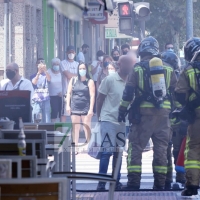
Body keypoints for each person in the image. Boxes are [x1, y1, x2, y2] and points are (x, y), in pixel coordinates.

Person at [118, 36, 177, 190]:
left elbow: (128, 93)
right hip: (164, 116)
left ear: (142, 51)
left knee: (135, 148)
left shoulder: (137, 68)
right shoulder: (169, 69)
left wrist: (122, 110)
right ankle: (160, 184)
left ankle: (133, 184)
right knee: (161, 150)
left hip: (142, 116)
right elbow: (176, 94)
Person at [96, 55, 132, 190]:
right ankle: (101, 183)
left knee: (119, 152)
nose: (129, 67)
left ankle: (115, 181)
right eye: (126, 64)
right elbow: (100, 99)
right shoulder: (110, 79)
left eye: (131, 64)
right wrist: (100, 118)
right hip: (108, 120)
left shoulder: (131, 82)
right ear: (119, 65)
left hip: (123, 122)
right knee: (107, 152)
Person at [175, 37, 200, 196]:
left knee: (194, 149)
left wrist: (189, 106)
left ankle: (191, 185)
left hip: (197, 117)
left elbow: (179, 93)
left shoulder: (189, 69)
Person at [161, 51, 187, 189]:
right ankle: (181, 178)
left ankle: (167, 179)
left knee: (165, 150)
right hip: (177, 121)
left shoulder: (160, 77)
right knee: (178, 150)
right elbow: (181, 101)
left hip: (164, 120)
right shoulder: (177, 77)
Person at [66, 63, 95, 145]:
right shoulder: (73, 80)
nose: (82, 70)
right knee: (75, 128)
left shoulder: (90, 81)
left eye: (84, 68)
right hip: (74, 107)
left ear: (86, 70)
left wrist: (91, 109)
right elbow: (68, 93)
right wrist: (67, 105)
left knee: (87, 127)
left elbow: (92, 96)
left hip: (85, 107)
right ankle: (75, 146)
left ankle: (90, 146)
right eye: (80, 69)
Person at [61, 45, 79, 122]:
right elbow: (68, 75)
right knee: (64, 113)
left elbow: (81, 76)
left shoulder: (77, 64)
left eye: (72, 52)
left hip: (76, 92)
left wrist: (71, 74)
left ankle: (75, 131)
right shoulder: (63, 63)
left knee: (75, 113)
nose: (71, 54)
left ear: (75, 53)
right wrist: (76, 75)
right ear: (66, 53)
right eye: (69, 52)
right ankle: (62, 132)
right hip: (65, 91)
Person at [31, 59, 51, 123]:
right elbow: (34, 83)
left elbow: (49, 79)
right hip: (36, 100)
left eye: (42, 63)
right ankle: (36, 131)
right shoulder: (33, 76)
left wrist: (45, 70)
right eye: (39, 63)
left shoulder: (46, 74)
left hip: (46, 99)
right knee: (36, 117)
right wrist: (38, 73)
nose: (41, 64)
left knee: (46, 117)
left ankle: (47, 131)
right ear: (36, 65)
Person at [48, 58, 62, 122]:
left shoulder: (62, 72)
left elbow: (65, 83)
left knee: (62, 112)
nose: (56, 65)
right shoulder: (48, 72)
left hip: (62, 95)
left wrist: (63, 92)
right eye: (54, 64)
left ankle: (61, 128)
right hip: (52, 95)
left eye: (57, 64)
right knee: (54, 110)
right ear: (52, 65)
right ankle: (53, 127)